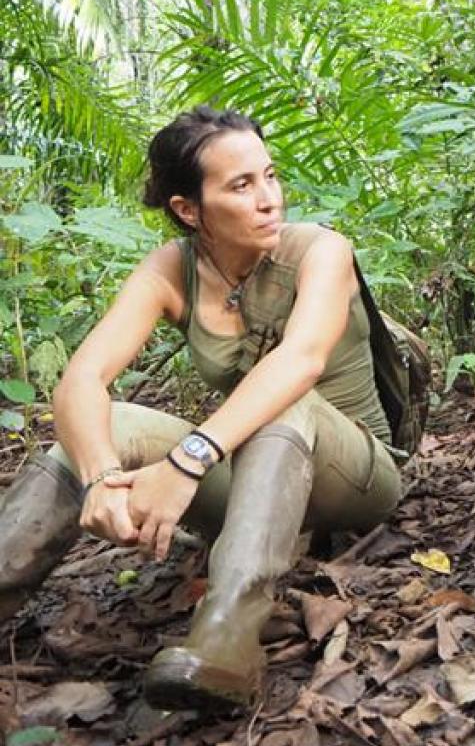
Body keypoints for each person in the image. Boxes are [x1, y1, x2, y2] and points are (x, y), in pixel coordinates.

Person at [0, 107, 415, 711]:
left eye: (269, 176)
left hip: (354, 475)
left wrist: (187, 461)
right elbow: (82, 380)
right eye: (241, 185)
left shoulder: (322, 250)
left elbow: (300, 361)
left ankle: (226, 639)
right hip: (254, 487)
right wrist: (100, 478)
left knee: (283, 400)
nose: (269, 199)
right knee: (107, 423)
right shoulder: (174, 270)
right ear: (189, 210)